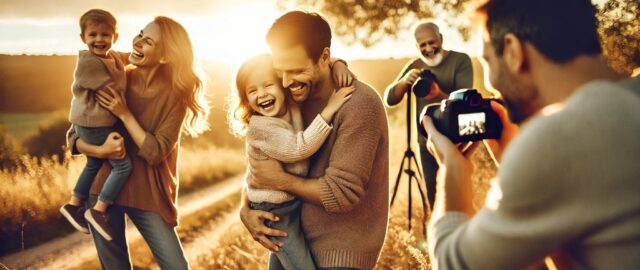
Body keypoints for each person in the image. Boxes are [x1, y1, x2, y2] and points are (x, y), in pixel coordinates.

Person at [423, 0, 640, 269]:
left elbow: (451, 264)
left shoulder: (562, 135)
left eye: (487, 61)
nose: (490, 83)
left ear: (514, 51)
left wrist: (452, 168)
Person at [240, 11, 390, 270]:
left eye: (296, 70)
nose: (286, 82)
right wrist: (245, 209)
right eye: (280, 72)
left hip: (341, 252)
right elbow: (264, 159)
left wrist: (281, 181)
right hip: (291, 237)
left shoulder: (359, 104)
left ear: (324, 57)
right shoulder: (290, 98)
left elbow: (340, 194)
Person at [66, 16, 209, 269]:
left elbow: (156, 151)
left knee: (176, 265)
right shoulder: (114, 74)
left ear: (164, 56)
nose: (138, 41)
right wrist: (100, 149)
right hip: (102, 193)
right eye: (140, 33)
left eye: (148, 41)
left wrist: (124, 114)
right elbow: (74, 138)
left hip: (149, 194)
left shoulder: (176, 95)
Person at [230, 53, 356, 270]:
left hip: (289, 204)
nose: (261, 95)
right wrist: (330, 109)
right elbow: (298, 148)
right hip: (275, 211)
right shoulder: (261, 127)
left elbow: (315, 62)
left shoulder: (289, 108)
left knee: (281, 264)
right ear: (245, 99)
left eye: (268, 85)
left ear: (282, 85)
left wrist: (338, 64)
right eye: (252, 91)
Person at [60, 8, 132, 242]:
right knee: (122, 166)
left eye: (105, 35)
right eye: (93, 35)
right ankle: (98, 210)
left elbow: (124, 59)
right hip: (94, 124)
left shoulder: (110, 56)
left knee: (93, 163)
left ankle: (74, 203)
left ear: (114, 37)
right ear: (83, 38)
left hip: (90, 124)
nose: (99, 40)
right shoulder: (89, 63)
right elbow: (112, 91)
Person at [383, 22, 473, 207]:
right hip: (426, 141)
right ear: (417, 47)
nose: (428, 49)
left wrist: (438, 94)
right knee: (434, 197)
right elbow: (390, 99)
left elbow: (466, 102)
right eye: (422, 45)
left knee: (459, 193)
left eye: (432, 42)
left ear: (441, 39)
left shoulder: (460, 60)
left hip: (457, 140)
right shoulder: (415, 65)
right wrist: (403, 82)